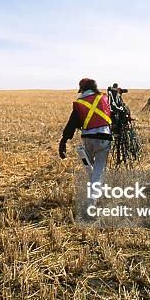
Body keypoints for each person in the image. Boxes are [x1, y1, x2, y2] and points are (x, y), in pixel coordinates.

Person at [59, 78, 112, 210]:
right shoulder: (104, 98)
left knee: (91, 168)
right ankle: (92, 199)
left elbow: (72, 123)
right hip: (104, 138)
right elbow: (112, 115)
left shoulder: (80, 103)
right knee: (98, 169)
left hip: (87, 139)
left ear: (82, 89)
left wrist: (64, 140)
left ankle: (97, 191)